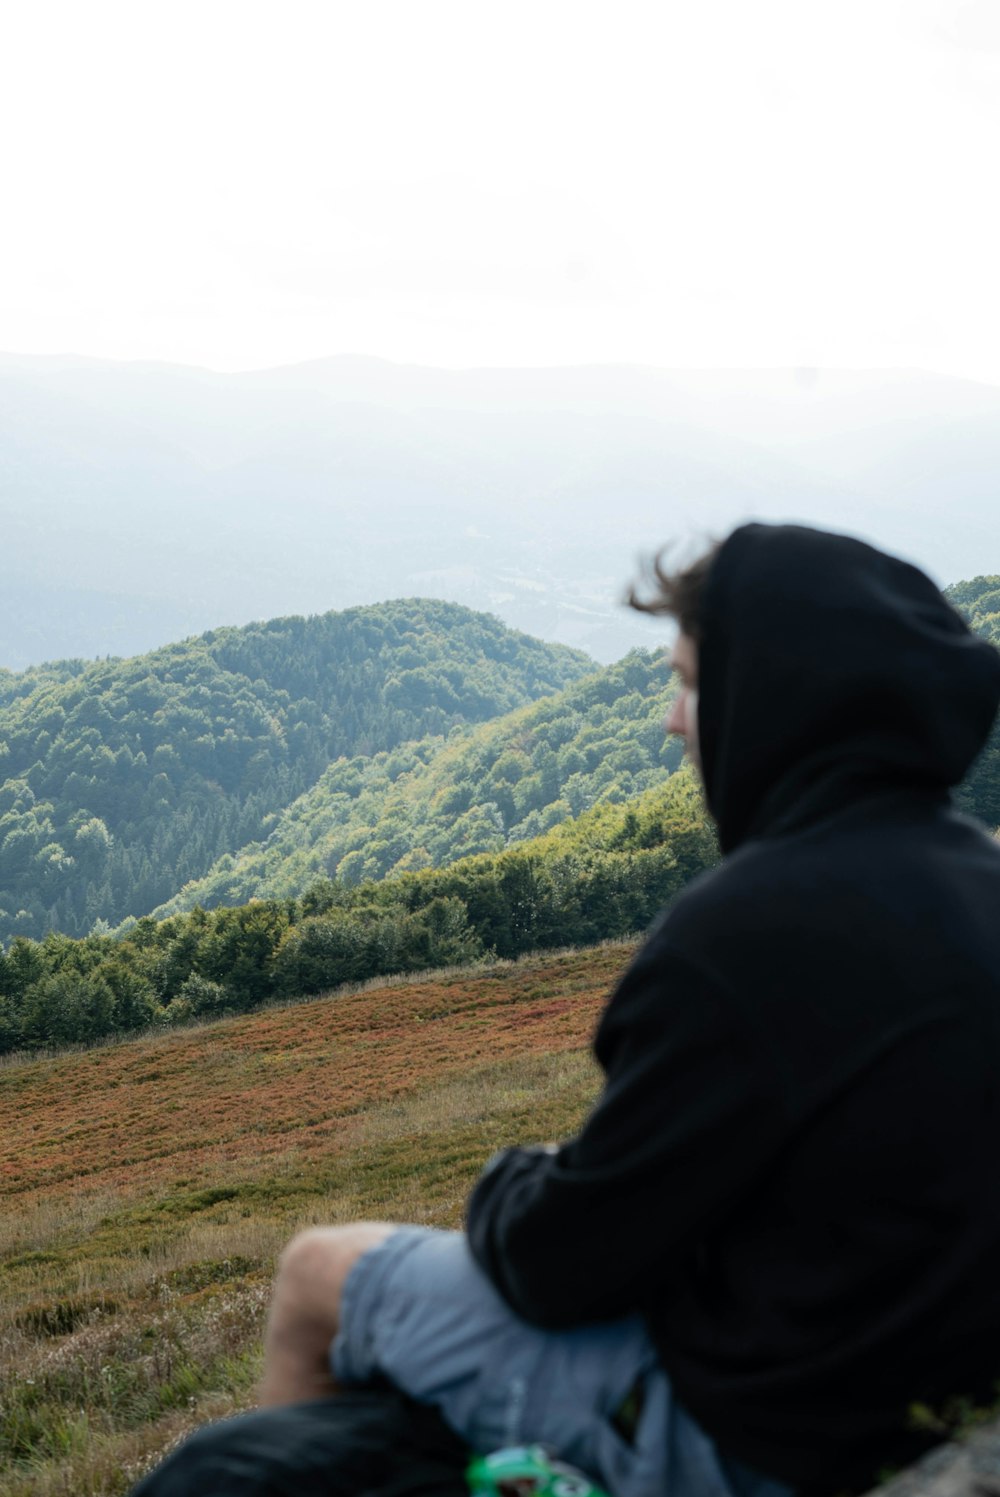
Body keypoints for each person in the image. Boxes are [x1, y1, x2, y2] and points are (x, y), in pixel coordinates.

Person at [137, 522, 1000, 1497]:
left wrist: (514, 1177)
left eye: (687, 683)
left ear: (772, 703)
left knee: (317, 1272)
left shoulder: (741, 932)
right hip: (904, 1394)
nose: (673, 721)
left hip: (749, 1432)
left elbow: (558, 1268)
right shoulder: (979, 885)